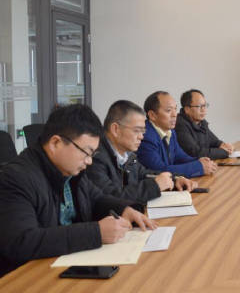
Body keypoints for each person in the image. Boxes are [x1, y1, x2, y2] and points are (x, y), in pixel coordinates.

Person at [0, 104, 156, 277]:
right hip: (28, 276)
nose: (89, 161)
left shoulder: (71, 170)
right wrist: (96, 233)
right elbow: (20, 242)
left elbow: (97, 199)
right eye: (86, 152)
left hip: (64, 264)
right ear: (56, 143)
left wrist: (125, 209)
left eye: (92, 154)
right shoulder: (15, 178)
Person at [88, 100, 198, 203]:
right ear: (115, 129)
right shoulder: (94, 158)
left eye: (143, 131)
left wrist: (174, 180)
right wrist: (154, 186)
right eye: (137, 130)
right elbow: (107, 197)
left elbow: (144, 175)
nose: (141, 136)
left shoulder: (128, 155)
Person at [136, 91, 218, 178]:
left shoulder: (170, 131)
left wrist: (198, 161)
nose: (174, 114)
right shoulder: (145, 137)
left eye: (175, 109)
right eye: (169, 110)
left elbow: (179, 156)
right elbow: (159, 170)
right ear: (152, 115)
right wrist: (199, 167)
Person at [175, 89, 234, 160]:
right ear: (187, 109)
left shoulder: (202, 123)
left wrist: (226, 146)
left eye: (204, 105)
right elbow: (195, 152)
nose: (203, 109)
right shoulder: (179, 124)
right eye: (199, 106)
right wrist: (224, 152)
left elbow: (215, 142)